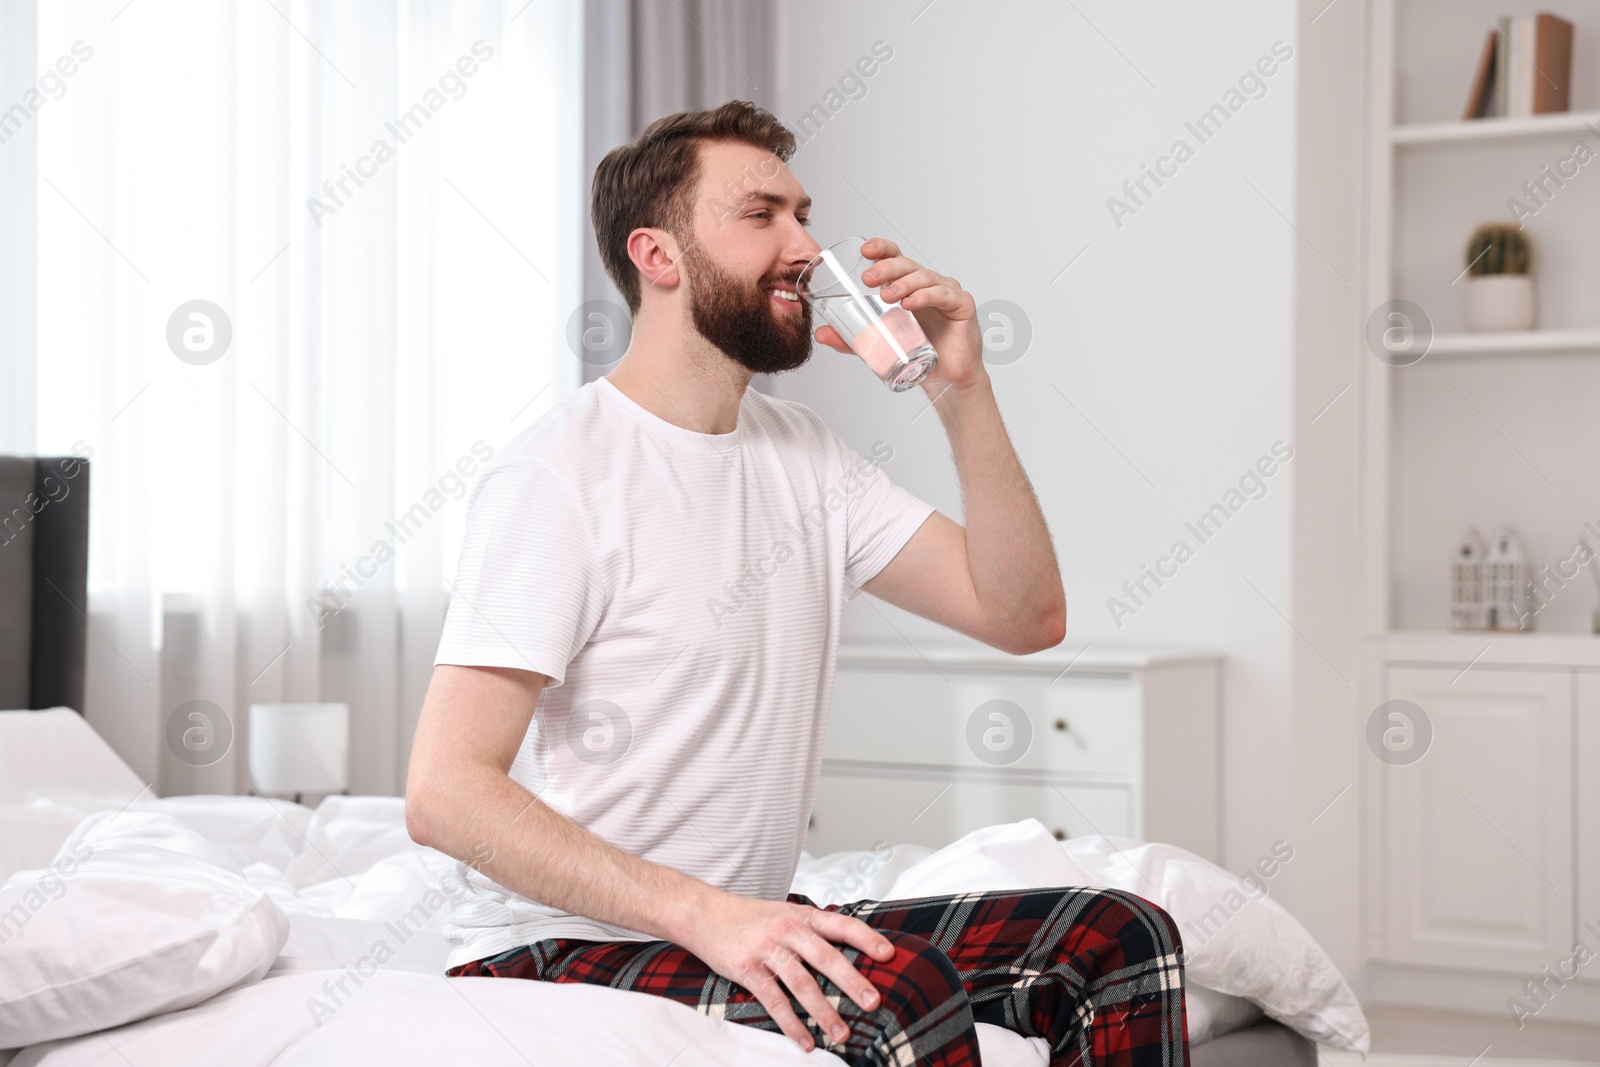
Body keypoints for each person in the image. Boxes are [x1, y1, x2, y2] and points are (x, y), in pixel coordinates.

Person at [405, 99, 1189, 1067]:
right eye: (761, 215)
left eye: (802, 213)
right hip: (558, 945)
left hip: (733, 924)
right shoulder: (557, 476)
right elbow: (443, 793)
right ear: (657, 255)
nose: (807, 249)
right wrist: (710, 915)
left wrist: (961, 391)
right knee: (900, 998)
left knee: (1115, 937)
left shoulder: (804, 457)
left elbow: (1023, 615)